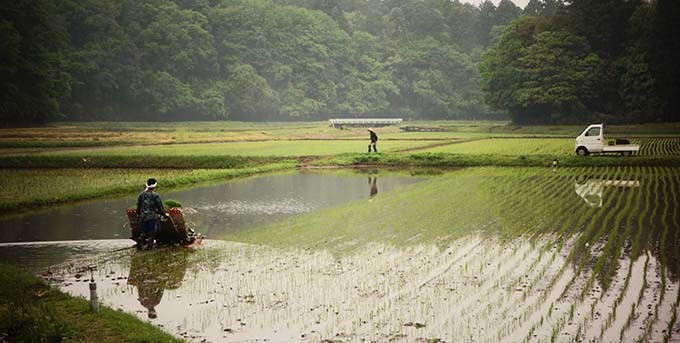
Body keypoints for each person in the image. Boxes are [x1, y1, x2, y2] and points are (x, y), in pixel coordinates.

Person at [136, 178, 166, 249]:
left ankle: (140, 239)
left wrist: (139, 214)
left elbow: (139, 206)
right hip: (151, 217)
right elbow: (160, 207)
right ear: (154, 186)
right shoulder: (155, 196)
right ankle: (149, 247)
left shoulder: (141, 195)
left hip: (143, 216)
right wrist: (164, 214)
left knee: (143, 232)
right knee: (151, 232)